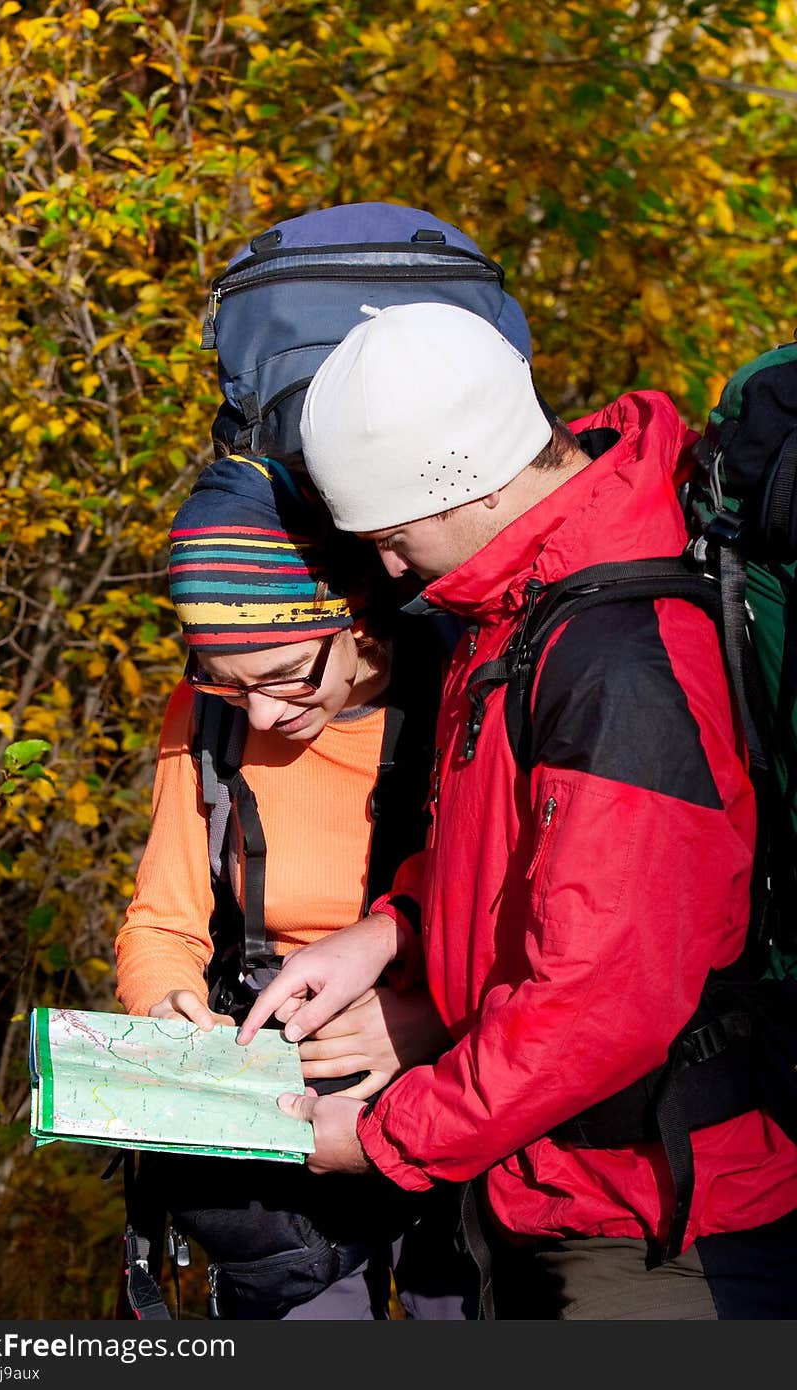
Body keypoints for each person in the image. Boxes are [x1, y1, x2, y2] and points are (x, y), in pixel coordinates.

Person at [237, 302, 797, 1319]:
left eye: (394, 536)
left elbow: (604, 998)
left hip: (656, 1226)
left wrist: (382, 1137)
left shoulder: (619, 660)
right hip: (546, 1184)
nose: (392, 568)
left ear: (463, 481)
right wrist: (386, 934)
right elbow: (507, 854)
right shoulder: (521, 607)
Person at [114, 450, 474, 1320]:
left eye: (285, 675)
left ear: (355, 620)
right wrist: (168, 1018)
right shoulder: (205, 721)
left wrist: (428, 1021)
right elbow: (162, 923)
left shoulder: (464, 692)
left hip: (457, 1092)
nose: (267, 715)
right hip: (277, 1123)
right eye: (231, 687)